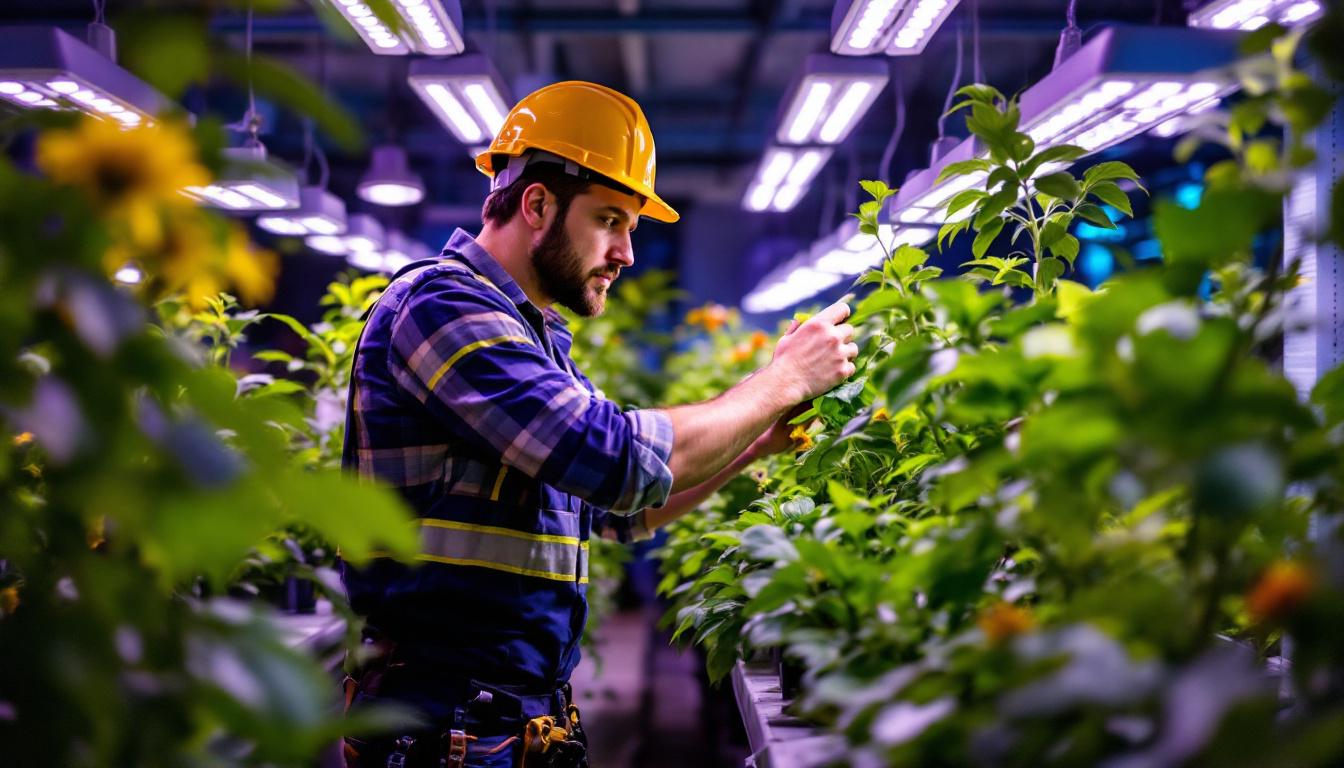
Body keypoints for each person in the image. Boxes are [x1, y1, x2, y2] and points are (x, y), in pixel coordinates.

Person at [340, 80, 857, 768]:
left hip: (505, 722)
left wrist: (756, 440)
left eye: (630, 229)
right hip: (446, 726)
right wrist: (781, 379)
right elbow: (612, 459)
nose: (626, 254)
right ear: (537, 204)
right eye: (610, 220)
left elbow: (614, 512)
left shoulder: (534, 340)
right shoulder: (439, 306)